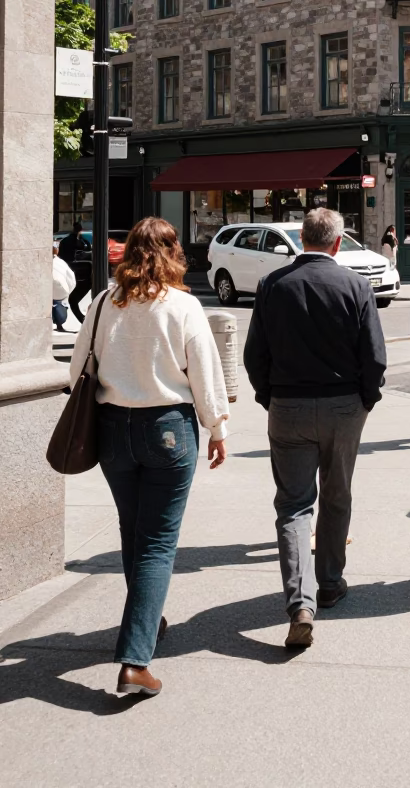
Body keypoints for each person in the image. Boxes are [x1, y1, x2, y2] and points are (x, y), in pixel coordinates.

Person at [68, 217, 229, 698]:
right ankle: (136, 661)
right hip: (168, 428)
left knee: (133, 529)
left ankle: (147, 616)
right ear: (173, 253)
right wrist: (217, 429)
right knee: (157, 543)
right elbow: (205, 373)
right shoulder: (182, 305)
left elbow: (77, 370)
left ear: (130, 252)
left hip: (113, 428)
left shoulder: (103, 303)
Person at [244, 208, 387, 650]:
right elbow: (374, 356)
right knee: (337, 494)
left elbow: (254, 355)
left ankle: (300, 603)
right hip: (344, 405)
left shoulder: (273, 284)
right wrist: (366, 399)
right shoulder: (356, 285)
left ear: (301, 238)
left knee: (293, 506)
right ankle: (329, 581)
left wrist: (269, 396)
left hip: (289, 404)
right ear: (338, 243)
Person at [52, 244, 75, 332]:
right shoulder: (60, 262)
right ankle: (59, 325)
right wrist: (68, 291)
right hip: (60, 292)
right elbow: (71, 277)